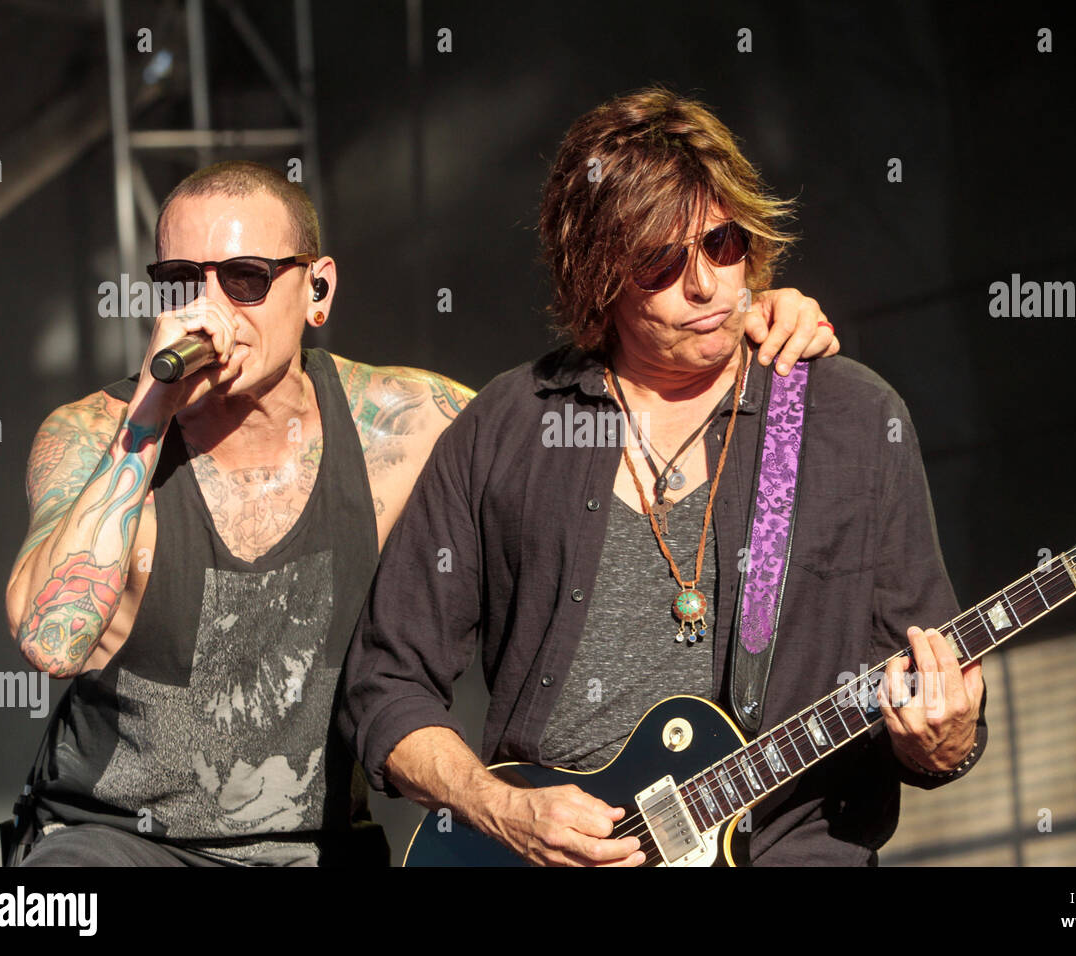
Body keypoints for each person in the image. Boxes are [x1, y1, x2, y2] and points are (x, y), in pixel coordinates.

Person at [4, 159, 839, 866]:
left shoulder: (413, 423)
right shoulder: (94, 434)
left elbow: (602, 419)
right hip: (110, 841)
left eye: (246, 280)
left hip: (321, 843)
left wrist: (739, 326)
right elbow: (52, 639)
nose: (211, 308)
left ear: (318, 289)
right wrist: (149, 414)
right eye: (181, 282)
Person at [340, 88, 988, 867]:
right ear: (596, 277)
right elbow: (385, 683)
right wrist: (500, 808)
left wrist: (943, 740)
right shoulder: (509, 425)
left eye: (723, 242)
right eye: (660, 261)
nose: (707, 285)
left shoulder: (849, 419)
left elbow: (934, 698)